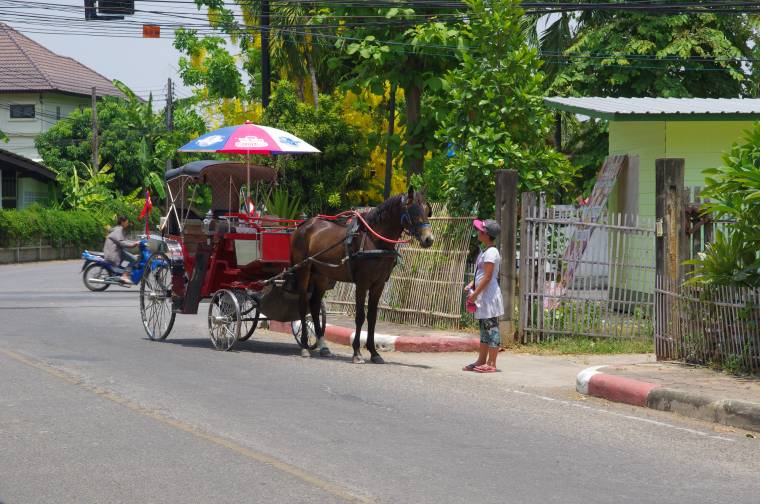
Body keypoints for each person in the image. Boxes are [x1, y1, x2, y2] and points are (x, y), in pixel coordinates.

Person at [463, 219, 504, 373]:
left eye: (481, 231)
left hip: (489, 297)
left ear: (487, 235)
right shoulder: (485, 251)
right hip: (483, 297)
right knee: (484, 330)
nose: (478, 232)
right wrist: (472, 284)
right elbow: (481, 274)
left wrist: (475, 295)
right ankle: (481, 360)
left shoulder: (492, 252)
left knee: (492, 328)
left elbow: (487, 277)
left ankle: (491, 363)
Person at [103, 216, 138, 284]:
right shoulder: (119, 230)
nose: (127, 224)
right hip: (113, 252)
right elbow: (121, 242)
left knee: (132, 257)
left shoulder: (118, 229)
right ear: (122, 222)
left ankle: (122, 273)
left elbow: (124, 240)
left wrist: (135, 242)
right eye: (126, 222)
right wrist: (133, 245)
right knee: (134, 259)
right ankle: (124, 276)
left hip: (115, 250)